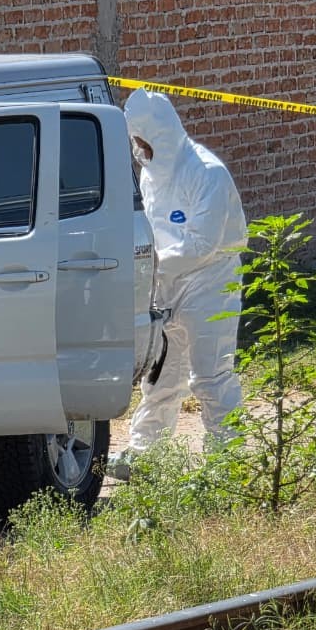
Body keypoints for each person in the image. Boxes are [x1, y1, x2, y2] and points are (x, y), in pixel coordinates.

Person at [109, 89, 248, 479]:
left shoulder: (207, 173)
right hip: (167, 282)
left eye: (142, 140)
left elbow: (201, 244)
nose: (139, 149)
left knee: (210, 374)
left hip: (211, 280)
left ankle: (228, 462)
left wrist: (153, 266)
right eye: (134, 141)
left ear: (161, 133)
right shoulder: (151, 174)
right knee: (161, 374)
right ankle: (146, 456)